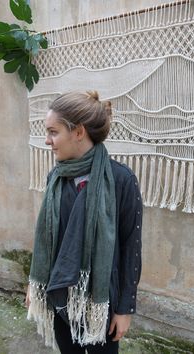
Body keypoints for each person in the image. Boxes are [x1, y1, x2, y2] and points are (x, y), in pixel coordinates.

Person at [26, 91, 142, 354]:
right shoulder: (56, 178)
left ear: (78, 132)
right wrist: (34, 285)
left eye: (53, 132)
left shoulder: (121, 180)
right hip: (59, 296)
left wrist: (125, 309)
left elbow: (130, 248)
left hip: (100, 301)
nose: (47, 141)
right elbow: (47, 236)